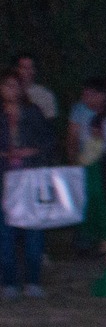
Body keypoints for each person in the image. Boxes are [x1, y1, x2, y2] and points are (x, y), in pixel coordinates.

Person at [1, 72, 58, 299]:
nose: (11, 89)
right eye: (7, 85)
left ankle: (33, 280)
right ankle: (9, 282)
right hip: (4, 181)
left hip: (31, 179)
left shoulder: (32, 112)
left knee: (33, 231)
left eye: (15, 85)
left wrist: (30, 151)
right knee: (5, 233)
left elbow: (49, 141)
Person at [68, 77, 106, 247]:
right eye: (84, 94)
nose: (85, 98)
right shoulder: (79, 109)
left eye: (90, 94)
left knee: (104, 199)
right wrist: (73, 159)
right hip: (86, 160)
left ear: (101, 95)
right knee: (85, 198)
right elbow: (72, 137)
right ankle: (85, 241)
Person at [13, 53, 57, 121]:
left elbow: (50, 121)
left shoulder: (45, 95)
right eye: (24, 68)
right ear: (16, 69)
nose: (27, 71)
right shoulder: (7, 92)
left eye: (30, 68)